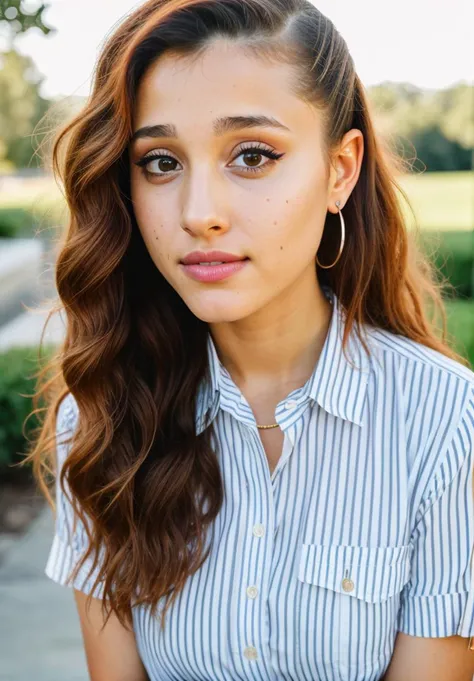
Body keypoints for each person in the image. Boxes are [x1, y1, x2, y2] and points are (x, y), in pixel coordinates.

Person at [25, 0, 474, 679]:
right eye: (160, 162)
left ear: (339, 170)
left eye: (253, 155)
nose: (199, 212)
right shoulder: (98, 418)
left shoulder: (444, 421)